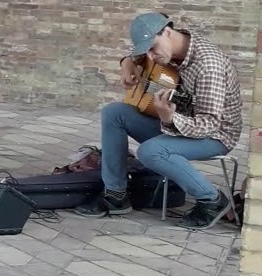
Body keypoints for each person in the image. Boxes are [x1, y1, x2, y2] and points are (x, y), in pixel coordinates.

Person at [75, 13, 243, 229]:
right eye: (147, 51)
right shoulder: (165, 47)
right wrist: (127, 64)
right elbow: (135, 51)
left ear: (167, 31)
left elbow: (209, 123)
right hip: (177, 123)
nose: (151, 57)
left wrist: (170, 118)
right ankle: (115, 195)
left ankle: (212, 200)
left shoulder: (208, 66)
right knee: (114, 112)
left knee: (150, 151)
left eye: (153, 48)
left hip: (214, 136)